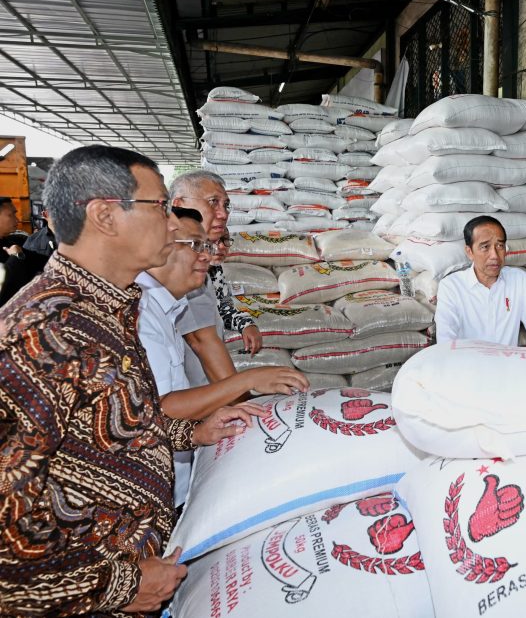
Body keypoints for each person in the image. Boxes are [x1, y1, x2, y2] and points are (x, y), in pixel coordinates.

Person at [0, 145, 261, 615]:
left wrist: (190, 432)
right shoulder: (44, 332)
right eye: (159, 205)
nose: (171, 221)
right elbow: (8, 518)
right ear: (104, 215)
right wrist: (117, 584)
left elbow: (112, 419)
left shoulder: (111, 309)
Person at [136, 207, 308, 508]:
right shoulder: (143, 316)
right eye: (195, 246)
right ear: (157, 246)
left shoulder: (167, 309)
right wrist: (250, 381)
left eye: (208, 246)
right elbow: (161, 408)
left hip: (172, 478)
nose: (207, 255)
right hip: (152, 489)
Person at [168, 170, 267, 386]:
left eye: (226, 205)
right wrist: (241, 401)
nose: (223, 214)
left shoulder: (203, 262)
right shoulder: (180, 261)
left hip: (198, 390)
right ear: (179, 204)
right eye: (213, 202)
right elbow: (201, 341)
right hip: (184, 396)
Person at [434, 215, 526, 354]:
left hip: (508, 371)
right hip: (469, 370)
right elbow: (446, 345)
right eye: (485, 247)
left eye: (500, 246)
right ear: (469, 252)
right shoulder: (451, 287)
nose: (494, 255)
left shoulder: (519, 280)